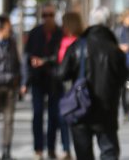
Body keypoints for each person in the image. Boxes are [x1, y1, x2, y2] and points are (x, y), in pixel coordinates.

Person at [58, 13, 128, 159]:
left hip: (81, 107)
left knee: (83, 154)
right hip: (107, 110)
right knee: (108, 152)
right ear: (108, 25)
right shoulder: (115, 49)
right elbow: (123, 78)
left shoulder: (77, 45)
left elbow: (62, 73)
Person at [21, 3, 63, 160]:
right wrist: (24, 82)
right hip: (37, 80)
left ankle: (51, 148)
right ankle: (38, 148)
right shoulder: (35, 33)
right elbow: (26, 57)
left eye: (50, 15)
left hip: (54, 79)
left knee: (54, 116)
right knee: (37, 114)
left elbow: (61, 56)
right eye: (45, 15)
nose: (48, 18)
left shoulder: (60, 33)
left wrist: (44, 61)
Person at [57, 12, 84, 160]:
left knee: (70, 116)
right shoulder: (62, 40)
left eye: (64, 23)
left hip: (73, 84)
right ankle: (66, 148)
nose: (62, 26)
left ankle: (71, 148)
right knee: (63, 117)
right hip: (62, 83)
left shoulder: (78, 42)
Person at [0, 15, 20, 160]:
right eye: (8, 26)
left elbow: (17, 62)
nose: (10, 28)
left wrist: (19, 81)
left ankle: (6, 151)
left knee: (9, 121)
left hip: (10, 87)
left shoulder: (12, 42)